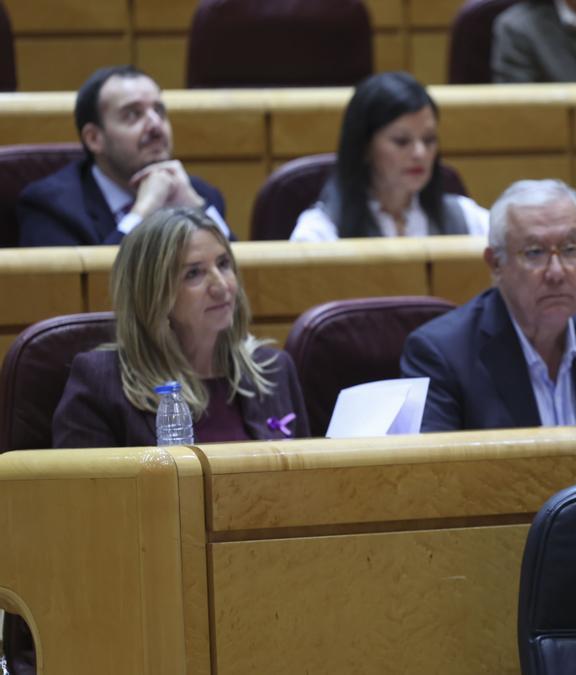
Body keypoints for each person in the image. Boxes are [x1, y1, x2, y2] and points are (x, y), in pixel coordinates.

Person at [399, 178, 576, 431]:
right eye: (534, 253)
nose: (557, 273)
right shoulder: (443, 355)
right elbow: (434, 473)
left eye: (571, 250)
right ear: (496, 263)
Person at [53, 207, 309, 448]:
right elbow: (85, 481)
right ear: (153, 294)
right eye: (193, 273)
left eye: (223, 264)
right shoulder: (102, 383)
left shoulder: (274, 369)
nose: (221, 286)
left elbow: (308, 476)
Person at [18, 65, 229, 247]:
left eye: (159, 110)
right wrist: (141, 213)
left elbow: (239, 275)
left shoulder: (198, 194)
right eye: (133, 114)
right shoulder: (53, 208)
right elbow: (88, 281)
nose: (155, 125)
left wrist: (198, 209)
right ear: (94, 138)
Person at [290, 71, 489, 242]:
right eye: (401, 141)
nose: (420, 153)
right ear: (365, 147)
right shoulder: (320, 232)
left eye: (429, 140)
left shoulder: (465, 217)